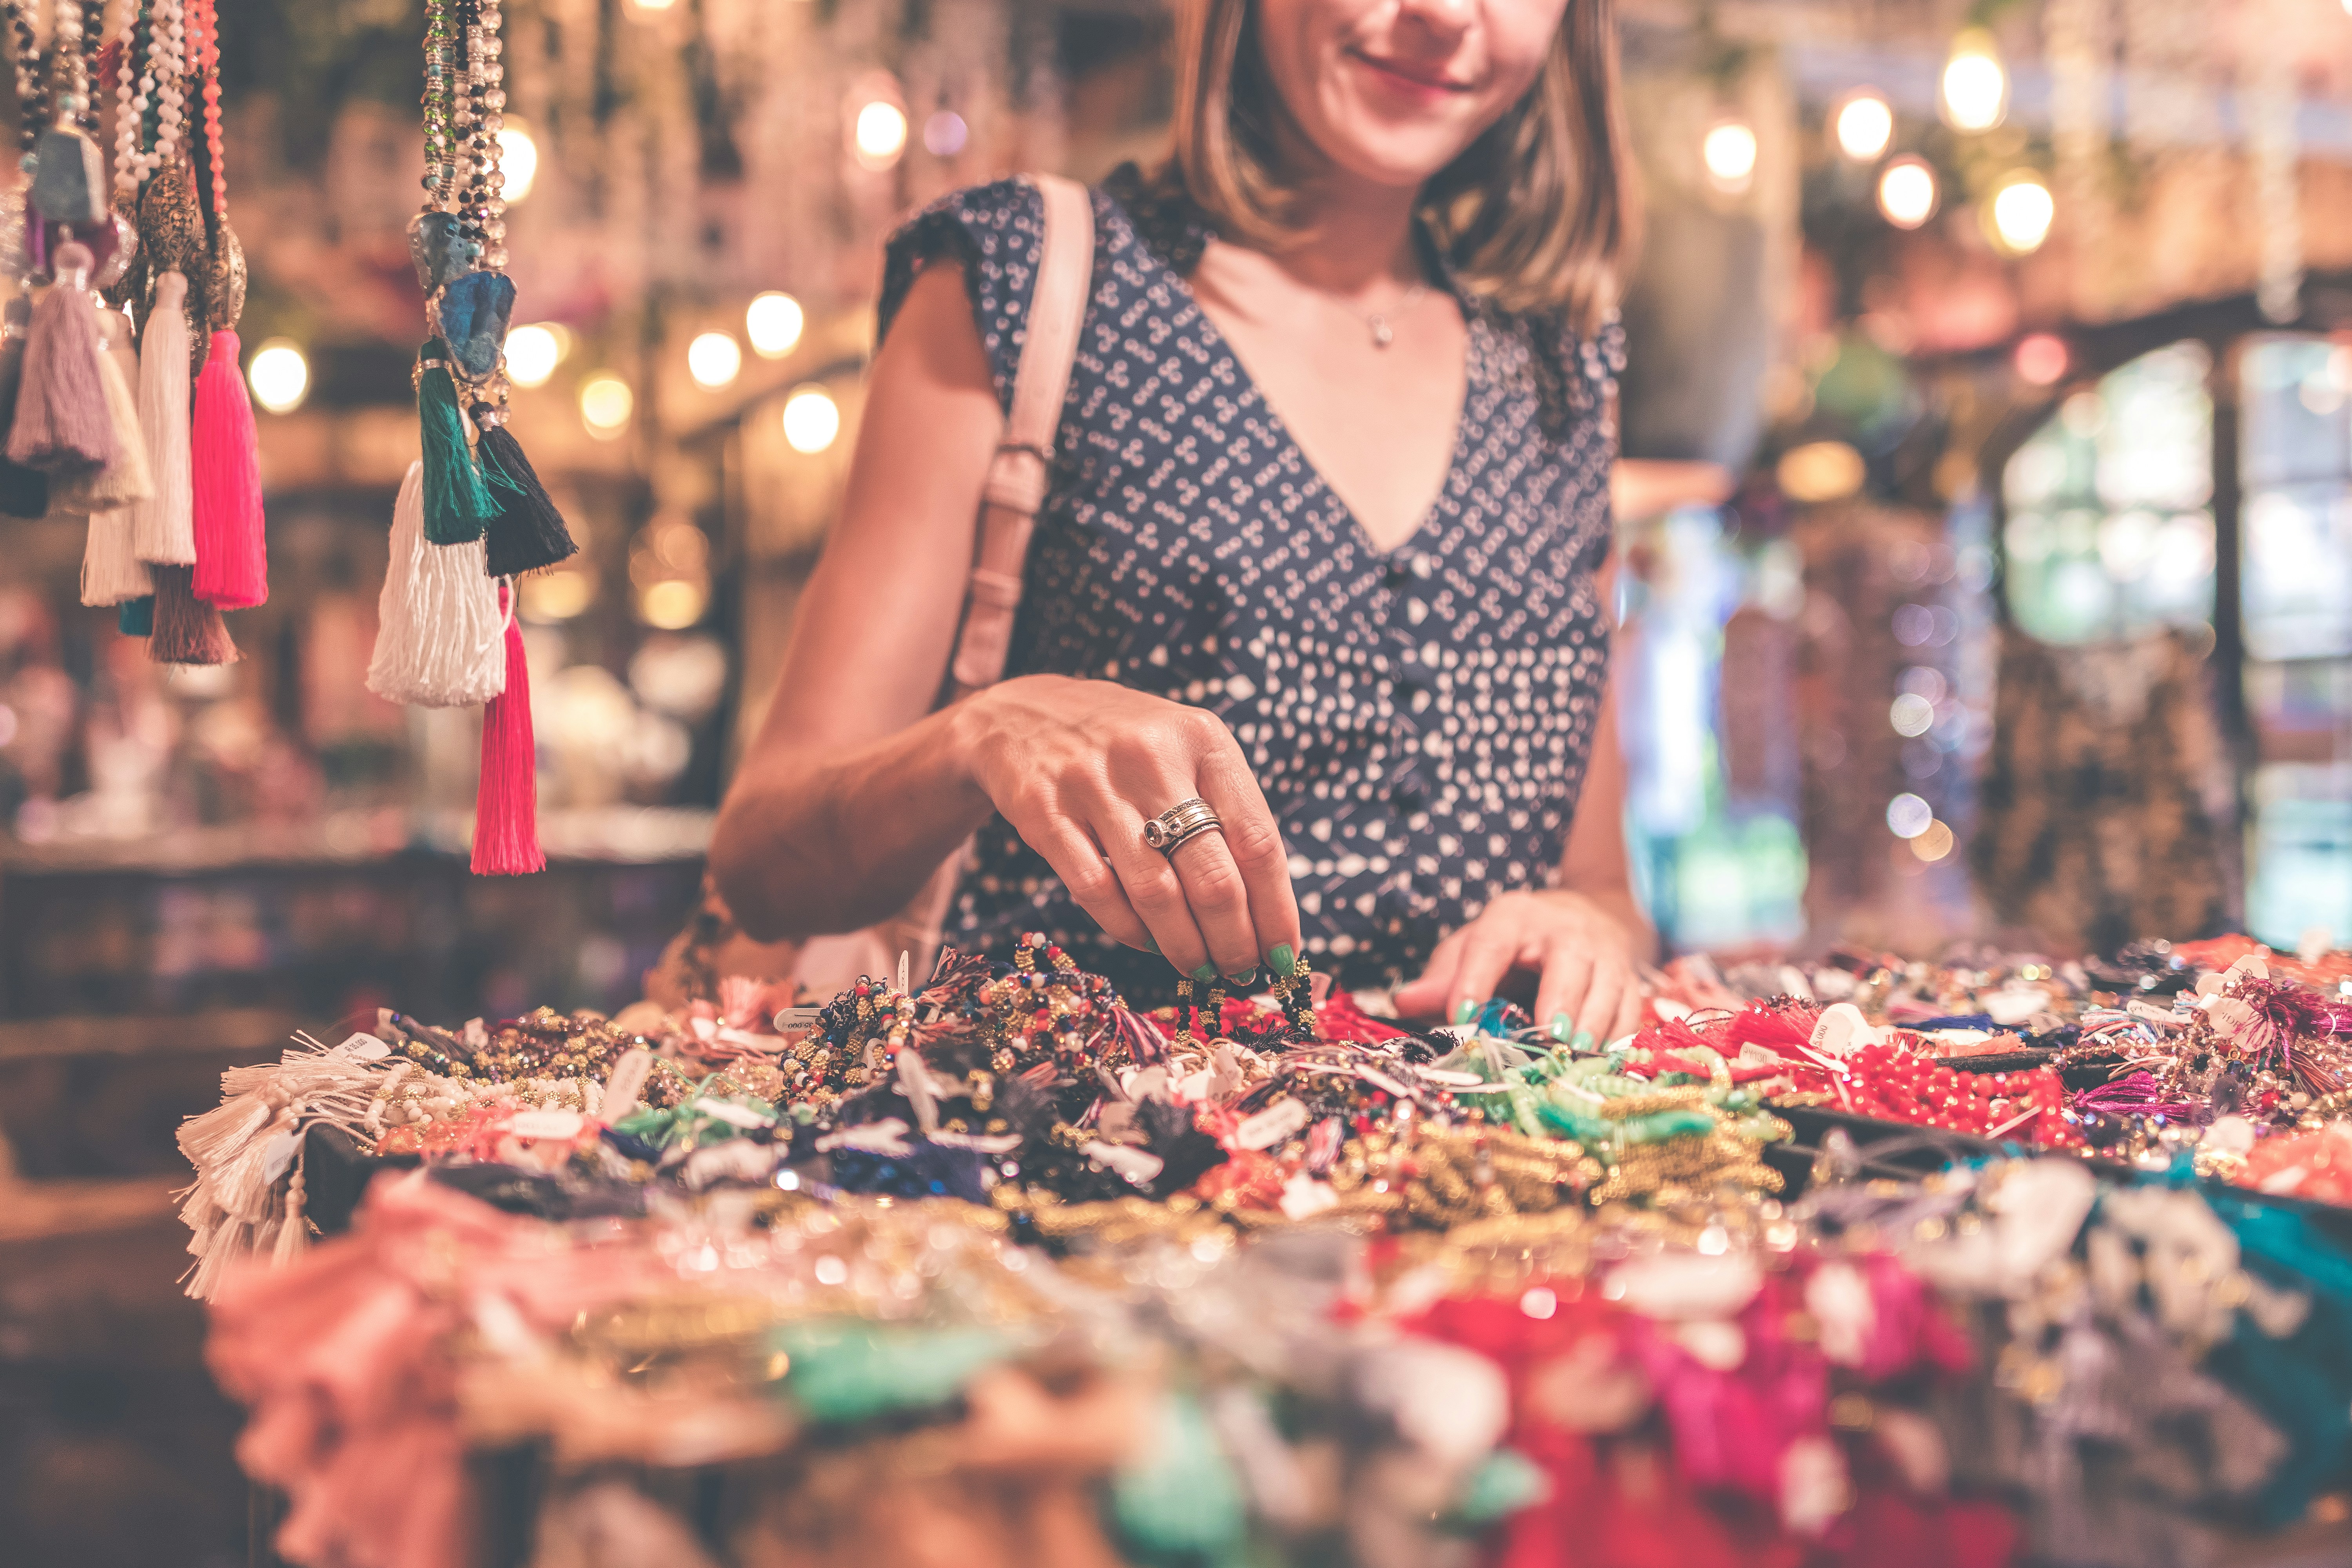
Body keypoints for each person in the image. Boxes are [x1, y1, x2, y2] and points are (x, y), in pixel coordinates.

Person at [711, 0, 1650, 1042]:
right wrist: (985, 732)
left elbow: (1604, 887)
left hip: (1482, 1183)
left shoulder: (1561, 365)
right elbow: (763, 864)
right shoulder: (1030, 277)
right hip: (1068, 1157)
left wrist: (1581, 926)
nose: (1439, 13)